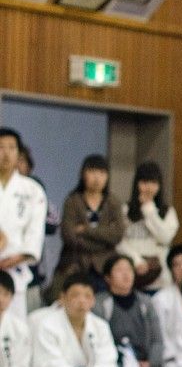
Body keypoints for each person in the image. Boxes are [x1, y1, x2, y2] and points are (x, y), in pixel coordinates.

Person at [33, 273, 136, 367]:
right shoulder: (48, 324)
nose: (82, 301)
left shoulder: (100, 325)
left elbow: (107, 362)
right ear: (63, 297)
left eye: (87, 296)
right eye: (75, 296)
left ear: (93, 300)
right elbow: (50, 365)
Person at [93, 255, 165, 367]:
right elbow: (97, 342)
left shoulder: (146, 302)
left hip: (143, 366)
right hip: (114, 365)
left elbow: (157, 340)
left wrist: (149, 363)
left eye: (129, 270)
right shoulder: (99, 304)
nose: (126, 274)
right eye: (119, 270)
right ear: (108, 278)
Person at [54, 154, 125, 294]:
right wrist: (104, 240)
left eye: (102, 173)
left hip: (105, 268)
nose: (97, 178)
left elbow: (117, 235)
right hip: (76, 265)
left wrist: (86, 230)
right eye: (92, 172)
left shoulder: (113, 202)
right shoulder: (72, 201)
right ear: (83, 174)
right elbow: (69, 236)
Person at [0, 128, 47, 320]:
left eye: (11, 148)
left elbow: (35, 232)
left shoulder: (32, 190)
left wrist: (17, 258)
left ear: (19, 154)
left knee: (15, 328)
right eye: (1, 147)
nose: (6, 153)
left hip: (15, 269)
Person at [118, 162, 179, 291]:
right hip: (132, 271)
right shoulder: (125, 210)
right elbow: (119, 241)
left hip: (160, 276)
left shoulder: (168, 211)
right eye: (144, 182)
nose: (149, 187)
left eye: (154, 183)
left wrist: (148, 208)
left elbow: (165, 238)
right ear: (137, 184)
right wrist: (137, 260)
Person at [15, 143, 60, 313]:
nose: (16, 164)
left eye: (21, 160)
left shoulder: (35, 188)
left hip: (29, 271)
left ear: (29, 166)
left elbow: (53, 222)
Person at [0, 270, 43, 367]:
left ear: (11, 298)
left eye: (5, 294)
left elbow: (22, 366)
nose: (1, 299)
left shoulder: (19, 328)